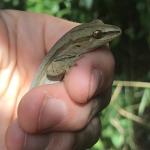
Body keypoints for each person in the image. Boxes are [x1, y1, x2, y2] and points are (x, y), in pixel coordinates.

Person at [0, 10, 115, 150]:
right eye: (97, 35)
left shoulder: (73, 50)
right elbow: (51, 70)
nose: (106, 35)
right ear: (79, 43)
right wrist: (67, 65)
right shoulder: (70, 51)